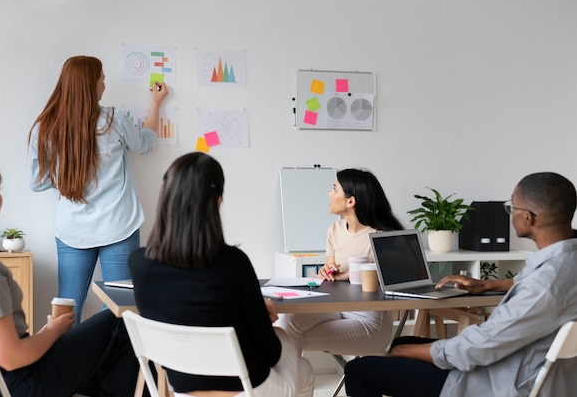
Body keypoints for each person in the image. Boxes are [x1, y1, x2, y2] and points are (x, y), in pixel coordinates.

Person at [344, 172, 577, 397]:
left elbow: (480, 348)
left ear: (528, 217)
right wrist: (486, 285)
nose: (510, 213)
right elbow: (532, 285)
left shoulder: (544, 285)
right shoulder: (565, 261)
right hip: (529, 364)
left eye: (511, 207)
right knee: (403, 342)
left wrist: (408, 352)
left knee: (359, 370)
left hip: (495, 380)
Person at [128, 152, 314, 397]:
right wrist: (257, 314)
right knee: (303, 365)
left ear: (167, 197)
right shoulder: (233, 264)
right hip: (245, 390)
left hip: (182, 389)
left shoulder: (139, 263)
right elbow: (270, 353)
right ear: (217, 201)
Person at [0, 158, 140, 397]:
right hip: (11, 384)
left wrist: (48, 331)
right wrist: (54, 331)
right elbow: (11, 358)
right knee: (119, 322)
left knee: (100, 360)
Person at [27, 55, 169, 323]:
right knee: (119, 306)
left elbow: (35, 181)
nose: (105, 83)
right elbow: (145, 145)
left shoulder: (46, 125)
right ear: (91, 84)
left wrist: (65, 174)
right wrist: (155, 104)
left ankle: (67, 363)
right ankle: (108, 363)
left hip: (72, 230)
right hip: (119, 226)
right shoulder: (112, 119)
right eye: (102, 78)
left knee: (68, 306)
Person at [276, 168, 404, 356]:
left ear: (350, 201)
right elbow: (331, 274)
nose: (329, 193)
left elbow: (386, 278)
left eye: (334, 188)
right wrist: (326, 272)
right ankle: (290, 382)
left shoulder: (381, 237)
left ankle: (290, 383)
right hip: (335, 307)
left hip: (369, 322)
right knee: (284, 322)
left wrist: (344, 275)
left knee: (284, 337)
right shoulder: (335, 230)